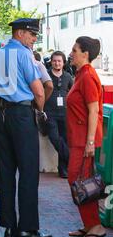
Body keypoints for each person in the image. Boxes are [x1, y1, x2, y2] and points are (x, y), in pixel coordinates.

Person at [0, 18, 52, 237]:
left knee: (5, 170)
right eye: (32, 34)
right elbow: (39, 91)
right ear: (20, 33)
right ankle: (28, 227)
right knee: (28, 170)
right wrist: (39, 111)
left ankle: (9, 225)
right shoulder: (24, 54)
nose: (34, 39)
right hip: (21, 114)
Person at [67, 37, 106, 237]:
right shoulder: (81, 74)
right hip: (79, 137)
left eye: (75, 50)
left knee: (79, 179)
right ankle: (89, 224)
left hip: (84, 140)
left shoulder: (88, 75)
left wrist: (90, 142)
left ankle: (95, 226)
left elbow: (94, 110)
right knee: (81, 180)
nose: (71, 53)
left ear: (85, 54)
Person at [44, 51, 73, 179]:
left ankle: (63, 170)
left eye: (59, 61)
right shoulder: (46, 75)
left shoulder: (68, 76)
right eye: (54, 61)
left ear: (63, 62)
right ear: (51, 61)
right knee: (55, 138)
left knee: (64, 140)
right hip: (50, 114)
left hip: (65, 114)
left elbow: (72, 93)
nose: (57, 63)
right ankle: (71, 159)